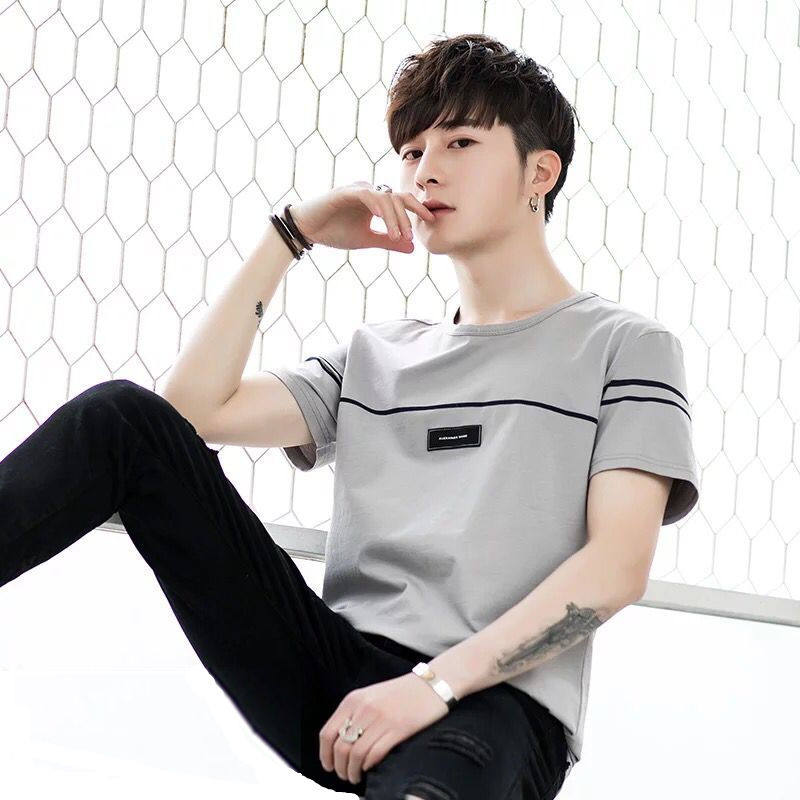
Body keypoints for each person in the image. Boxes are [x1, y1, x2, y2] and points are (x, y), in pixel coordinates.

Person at [0, 34, 700, 799]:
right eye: (411, 151)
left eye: (460, 142)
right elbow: (192, 411)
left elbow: (617, 566)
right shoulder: (379, 354)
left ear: (541, 171)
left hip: (494, 704)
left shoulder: (625, 347)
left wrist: (432, 686)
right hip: (330, 670)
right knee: (120, 419)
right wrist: (290, 236)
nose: (425, 170)